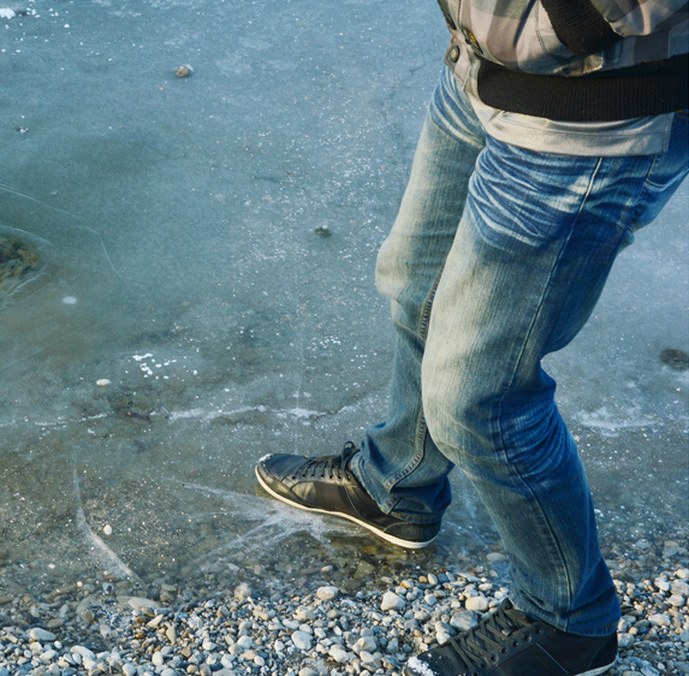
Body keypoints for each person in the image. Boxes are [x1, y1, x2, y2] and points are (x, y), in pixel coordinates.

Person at [254, 1, 688, 675]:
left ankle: (569, 617)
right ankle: (396, 485)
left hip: (591, 116)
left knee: (480, 396)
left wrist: (561, 22)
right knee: (414, 286)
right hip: (480, 73)